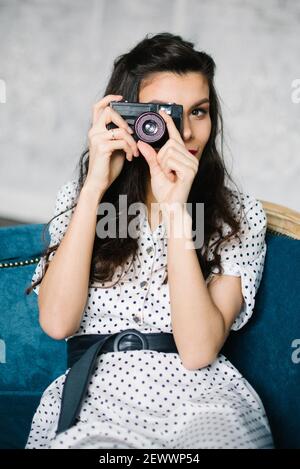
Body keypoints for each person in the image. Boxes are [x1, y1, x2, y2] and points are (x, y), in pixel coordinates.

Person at [25, 32, 274, 449]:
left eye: (198, 112)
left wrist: (177, 208)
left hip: (203, 400)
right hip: (98, 399)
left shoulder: (239, 213)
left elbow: (197, 351)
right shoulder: (81, 199)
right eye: (166, 115)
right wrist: (94, 188)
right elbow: (56, 322)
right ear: (126, 115)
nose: (187, 134)